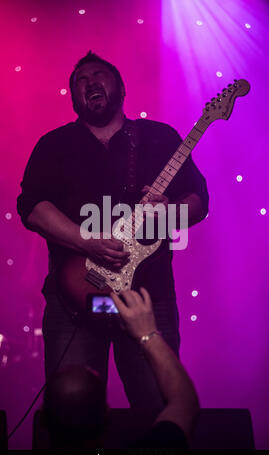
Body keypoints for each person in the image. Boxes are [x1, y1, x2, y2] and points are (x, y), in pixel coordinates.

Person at [17, 51, 209, 411]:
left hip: (148, 298)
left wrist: (172, 211)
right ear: (73, 97)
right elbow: (32, 209)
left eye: (99, 75)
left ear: (121, 88)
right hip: (76, 295)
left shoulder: (159, 137)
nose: (90, 82)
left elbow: (199, 201)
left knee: (160, 403)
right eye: (80, 80)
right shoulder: (54, 144)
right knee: (70, 409)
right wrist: (86, 242)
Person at [43, 288, 199, 450]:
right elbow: (184, 402)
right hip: (75, 290)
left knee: (70, 397)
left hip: (146, 284)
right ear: (107, 415)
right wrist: (147, 334)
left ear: (42, 419)